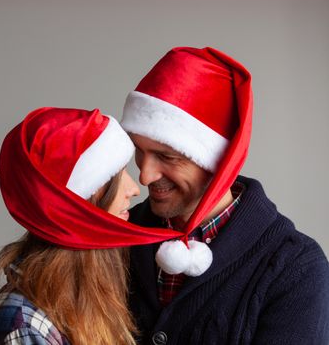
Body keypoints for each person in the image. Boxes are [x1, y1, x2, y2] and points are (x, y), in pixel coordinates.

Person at [120, 46, 329, 344]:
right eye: (139, 151)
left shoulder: (295, 269)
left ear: (218, 160)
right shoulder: (118, 238)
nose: (144, 175)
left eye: (167, 156)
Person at [0, 107, 185, 345]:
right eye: (117, 175)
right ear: (81, 199)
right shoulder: (23, 325)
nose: (134, 189)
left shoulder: (90, 294)